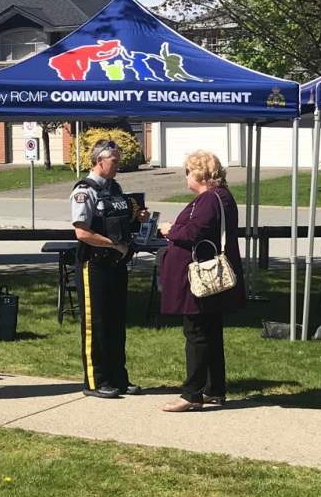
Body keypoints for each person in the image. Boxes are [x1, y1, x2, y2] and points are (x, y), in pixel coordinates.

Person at [158, 150, 243, 410]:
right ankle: (213, 388)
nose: (186, 176)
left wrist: (170, 230)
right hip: (210, 277)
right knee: (210, 332)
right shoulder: (222, 197)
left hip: (200, 279)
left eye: (188, 171)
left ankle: (192, 393)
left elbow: (195, 232)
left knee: (197, 333)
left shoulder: (209, 199)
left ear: (200, 173)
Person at [70, 138, 142, 399]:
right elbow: (81, 232)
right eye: (114, 161)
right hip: (94, 265)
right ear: (100, 160)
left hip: (116, 264)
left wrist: (137, 218)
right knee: (96, 324)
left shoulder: (116, 188)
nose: (118, 165)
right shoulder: (84, 190)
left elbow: (118, 221)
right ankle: (95, 381)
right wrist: (113, 245)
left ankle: (118, 378)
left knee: (115, 323)